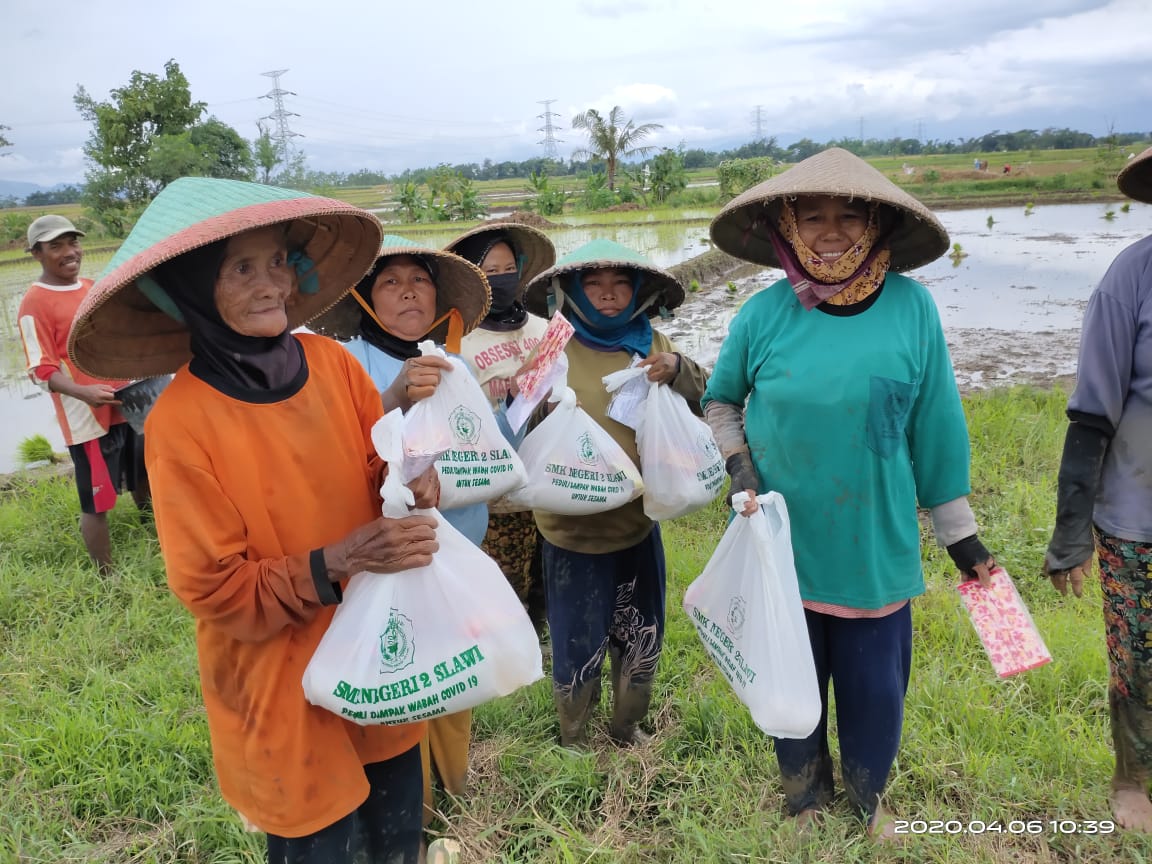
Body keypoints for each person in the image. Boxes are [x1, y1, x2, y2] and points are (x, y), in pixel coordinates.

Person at [68, 177, 441, 862]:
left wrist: (411, 484)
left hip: (378, 654)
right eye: (241, 268)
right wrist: (338, 560)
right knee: (321, 840)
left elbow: (375, 469)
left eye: (277, 262)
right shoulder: (182, 424)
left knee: (397, 842)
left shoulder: (334, 367)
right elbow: (213, 590)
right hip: (280, 687)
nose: (271, 283)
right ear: (190, 290)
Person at [702, 148, 996, 838]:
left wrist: (963, 536)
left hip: (875, 546)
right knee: (793, 686)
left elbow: (936, 425)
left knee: (874, 694)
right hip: (783, 543)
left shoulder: (913, 309)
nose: (831, 230)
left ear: (876, 224)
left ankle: (868, 802)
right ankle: (804, 799)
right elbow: (720, 404)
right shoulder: (762, 315)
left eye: (848, 214)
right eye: (813, 216)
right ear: (788, 226)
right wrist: (741, 469)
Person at [312, 235, 492, 829]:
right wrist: (395, 395)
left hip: (457, 544)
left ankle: (457, 784)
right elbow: (341, 451)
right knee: (406, 674)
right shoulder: (351, 363)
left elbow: (486, 452)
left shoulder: (456, 362)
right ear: (366, 299)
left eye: (420, 278)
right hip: (386, 554)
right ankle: (414, 808)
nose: (409, 290)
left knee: (457, 667)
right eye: (391, 281)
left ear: (438, 297)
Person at [521, 239, 708, 747]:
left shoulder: (654, 344)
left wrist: (680, 371)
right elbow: (520, 420)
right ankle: (575, 734)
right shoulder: (553, 347)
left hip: (636, 523)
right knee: (577, 635)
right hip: (571, 531)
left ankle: (628, 726)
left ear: (639, 293)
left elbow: (707, 394)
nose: (608, 294)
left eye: (620, 284)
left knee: (639, 627)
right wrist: (536, 406)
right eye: (594, 284)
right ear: (574, 293)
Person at [1044, 144, 1152, 832]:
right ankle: (1133, 778)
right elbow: (1092, 412)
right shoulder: (1131, 278)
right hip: (1137, 516)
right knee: (1138, 657)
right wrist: (1069, 532)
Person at [16, 214, 149, 574]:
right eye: (55, 246)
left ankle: (153, 537)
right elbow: (40, 370)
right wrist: (84, 393)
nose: (69, 251)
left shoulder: (92, 287)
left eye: (72, 242)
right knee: (97, 499)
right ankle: (106, 576)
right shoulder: (34, 303)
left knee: (142, 474)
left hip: (124, 399)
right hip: (87, 416)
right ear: (36, 254)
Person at [444, 223, 557, 636]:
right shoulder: (455, 341)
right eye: (490, 272)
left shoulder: (543, 330)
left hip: (547, 481)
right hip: (493, 492)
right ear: (473, 275)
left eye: (509, 269)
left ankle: (542, 638)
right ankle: (505, 649)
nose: (502, 279)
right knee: (500, 586)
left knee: (545, 574)